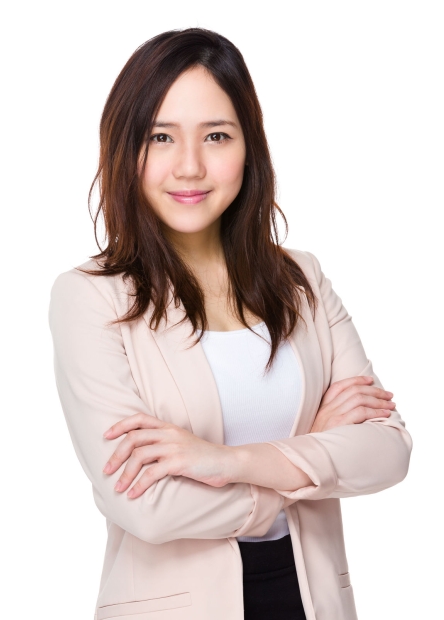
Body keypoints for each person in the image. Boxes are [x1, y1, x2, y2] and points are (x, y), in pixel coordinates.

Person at [48, 28, 413, 620]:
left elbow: (388, 450)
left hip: (315, 601)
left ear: (250, 146)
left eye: (216, 135)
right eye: (160, 137)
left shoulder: (302, 279)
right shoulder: (90, 298)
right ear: (125, 148)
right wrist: (307, 459)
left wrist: (226, 462)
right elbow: (146, 505)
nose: (190, 166)